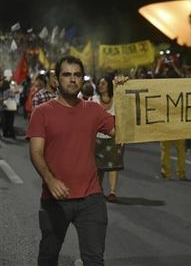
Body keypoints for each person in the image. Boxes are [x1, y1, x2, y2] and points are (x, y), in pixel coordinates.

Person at [27, 56, 126, 265]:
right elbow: (36, 152)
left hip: (91, 198)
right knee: (48, 257)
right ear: (57, 78)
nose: (72, 79)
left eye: (77, 75)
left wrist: (123, 93)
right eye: (67, 74)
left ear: (82, 79)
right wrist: (51, 181)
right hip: (55, 199)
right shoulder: (41, 113)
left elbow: (122, 130)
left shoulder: (93, 110)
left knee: (94, 260)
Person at [154, 55, 187, 180]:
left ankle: (168, 172)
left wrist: (159, 64)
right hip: (174, 116)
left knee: (170, 147)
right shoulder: (169, 77)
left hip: (172, 116)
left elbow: (155, 78)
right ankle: (180, 172)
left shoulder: (171, 77)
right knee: (177, 147)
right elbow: (155, 79)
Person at [93, 75, 124, 202]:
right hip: (97, 138)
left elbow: (122, 117)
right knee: (99, 167)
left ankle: (112, 192)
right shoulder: (94, 100)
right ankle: (98, 190)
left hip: (114, 137)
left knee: (113, 166)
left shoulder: (117, 99)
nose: (100, 86)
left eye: (103, 83)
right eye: (99, 83)